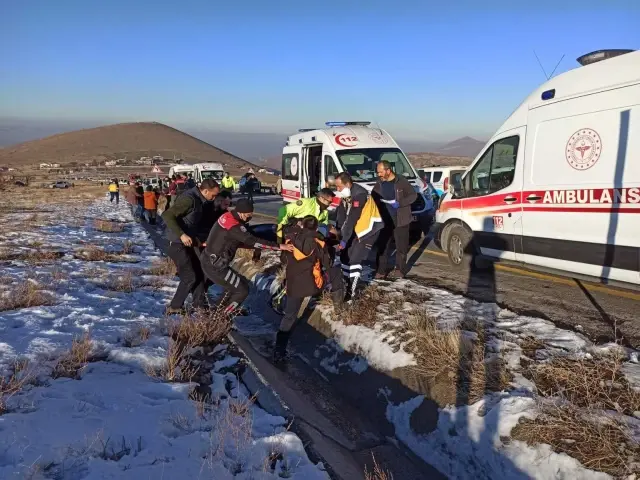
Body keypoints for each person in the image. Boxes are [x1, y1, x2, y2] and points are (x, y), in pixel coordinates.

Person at [200, 198, 293, 316]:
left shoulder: (228, 217)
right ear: (242, 212)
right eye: (249, 214)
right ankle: (221, 317)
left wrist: (255, 248)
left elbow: (238, 241)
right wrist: (280, 246)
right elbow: (252, 240)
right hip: (215, 265)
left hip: (211, 260)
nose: (250, 217)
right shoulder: (234, 225)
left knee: (235, 286)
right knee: (242, 291)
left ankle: (218, 312)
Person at [274, 215, 344, 364]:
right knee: (336, 272)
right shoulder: (319, 242)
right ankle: (338, 307)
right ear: (317, 227)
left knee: (289, 316)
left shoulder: (290, 239)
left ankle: (279, 350)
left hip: (293, 284)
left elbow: (283, 259)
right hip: (313, 284)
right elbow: (328, 263)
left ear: (302, 225)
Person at [162, 178, 221, 314]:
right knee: (189, 276)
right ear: (205, 191)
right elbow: (167, 215)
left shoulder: (201, 200)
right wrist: (181, 234)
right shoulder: (189, 199)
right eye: (213, 194)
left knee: (199, 271)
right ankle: (175, 307)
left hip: (189, 241)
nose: (214, 197)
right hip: (177, 242)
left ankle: (198, 304)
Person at [334, 172, 384, 300]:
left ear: (347, 184)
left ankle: (352, 294)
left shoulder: (360, 195)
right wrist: (339, 234)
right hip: (357, 229)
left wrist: (345, 240)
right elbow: (341, 215)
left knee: (355, 259)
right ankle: (346, 286)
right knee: (345, 257)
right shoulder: (347, 195)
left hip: (369, 230)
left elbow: (352, 219)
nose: (337, 189)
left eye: (339, 186)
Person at [371, 161, 417, 279]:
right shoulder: (379, 183)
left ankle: (400, 270)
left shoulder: (401, 181)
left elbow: (413, 195)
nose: (379, 174)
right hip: (385, 220)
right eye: (378, 172)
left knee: (401, 247)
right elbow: (373, 196)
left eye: (381, 172)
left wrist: (400, 203)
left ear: (388, 170)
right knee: (383, 247)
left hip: (401, 219)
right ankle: (381, 271)